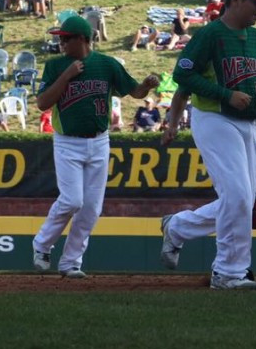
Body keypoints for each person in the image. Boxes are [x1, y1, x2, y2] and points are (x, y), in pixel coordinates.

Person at [159, 0, 256, 290]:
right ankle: (229, 272)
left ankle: (178, 228)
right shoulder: (210, 34)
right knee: (239, 197)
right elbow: (182, 75)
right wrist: (224, 94)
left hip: (248, 122)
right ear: (235, 0)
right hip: (213, 117)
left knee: (245, 202)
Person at [32, 15, 160, 278]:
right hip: (68, 141)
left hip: (99, 141)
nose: (61, 43)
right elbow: (43, 103)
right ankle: (42, 244)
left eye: (66, 39)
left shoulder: (106, 64)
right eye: (60, 38)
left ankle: (71, 263)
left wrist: (146, 86)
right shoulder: (56, 66)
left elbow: (133, 92)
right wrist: (67, 76)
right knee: (72, 200)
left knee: (91, 208)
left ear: (82, 39)